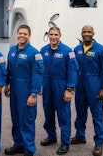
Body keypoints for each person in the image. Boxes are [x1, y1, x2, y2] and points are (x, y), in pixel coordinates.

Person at [71, 25, 103, 156]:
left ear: (93, 33)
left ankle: (99, 143)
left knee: (97, 115)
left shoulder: (101, 50)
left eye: (89, 31)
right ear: (81, 34)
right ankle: (80, 135)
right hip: (80, 86)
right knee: (80, 113)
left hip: (95, 86)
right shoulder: (77, 49)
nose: (86, 33)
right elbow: (73, 68)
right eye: (84, 32)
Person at [4, 24, 43, 156]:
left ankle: (29, 149)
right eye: (20, 33)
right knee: (15, 118)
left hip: (26, 90)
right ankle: (18, 144)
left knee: (27, 119)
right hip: (14, 88)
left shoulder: (34, 53)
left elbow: (37, 75)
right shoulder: (12, 50)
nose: (22, 36)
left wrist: (33, 94)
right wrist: (7, 84)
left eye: (25, 34)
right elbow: (9, 69)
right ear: (17, 34)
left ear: (29, 36)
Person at [39, 27, 78, 155]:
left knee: (63, 114)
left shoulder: (68, 51)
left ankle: (65, 142)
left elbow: (73, 71)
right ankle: (51, 136)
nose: (53, 37)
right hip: (47, 85)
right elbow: (39, 70)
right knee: (48, 111)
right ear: (48, 35)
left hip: (61, 85)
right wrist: (40, 85)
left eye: (56, 34)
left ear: (60, 35)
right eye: (51, 34)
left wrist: (69, 89)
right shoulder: (43, 50)